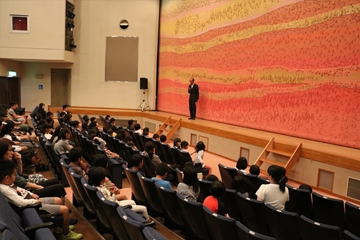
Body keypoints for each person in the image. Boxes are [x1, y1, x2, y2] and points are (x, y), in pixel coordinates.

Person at [0, 160, 83, 240]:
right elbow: (20, 203)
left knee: (59, 200)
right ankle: (66, 234)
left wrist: (32, 194)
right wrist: (35, 201)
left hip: (31, 199)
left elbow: (21, 190)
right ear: (7, 178)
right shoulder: (5, 189)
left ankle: (60, 227)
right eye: (14, 175)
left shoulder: (8, 183)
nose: (15, 177)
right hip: (32, 205)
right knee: (65, 210)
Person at [88, 167, 153, 224]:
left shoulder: (97, 186)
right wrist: (114, 194)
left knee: (133, 202)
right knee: (144, 208)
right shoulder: (101, 190)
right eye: (104, 177)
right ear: (101, 180)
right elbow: (110, 202)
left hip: (116, 204)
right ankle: (147, 223)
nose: (106, 178)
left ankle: (135, 217)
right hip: (117, 207)